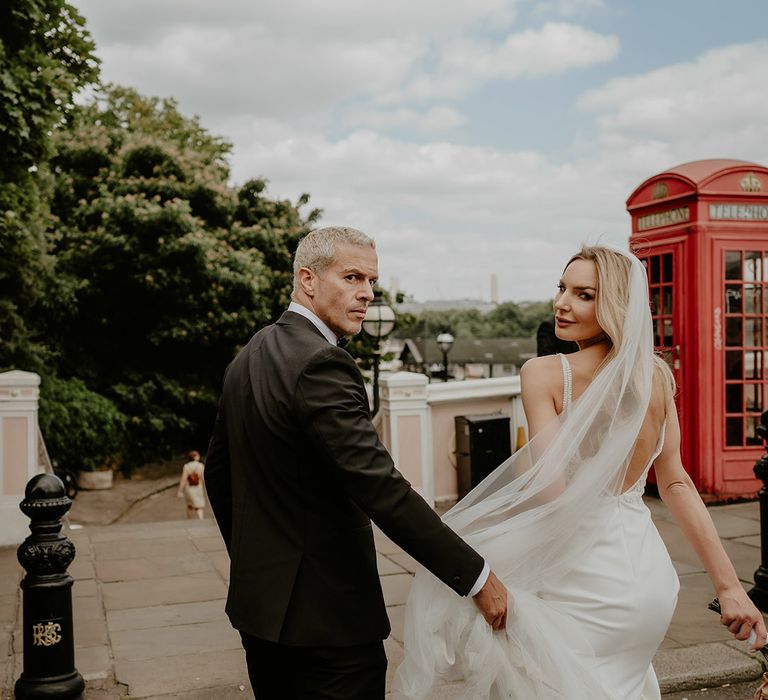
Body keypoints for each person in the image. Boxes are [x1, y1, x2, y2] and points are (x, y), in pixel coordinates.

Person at [393, 245, 767, 699]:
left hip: (587, 584)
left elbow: (553, 491)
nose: (562, 303)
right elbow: (676, 483)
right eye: (562, 287)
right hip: (647, 580)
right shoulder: (656, 377)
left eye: (584, 294)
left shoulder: (544, 373)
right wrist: (729, 587)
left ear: (614, 306)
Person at [204, 226, 507, 700]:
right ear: (308, 279)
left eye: (371, 281)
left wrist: (257, 564)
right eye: (352, 277)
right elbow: (381, 489)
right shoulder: (322, 363)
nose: (366, 293)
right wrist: (475, 576)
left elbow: (219, 477)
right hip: (328, 621)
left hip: (259, 611)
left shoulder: (249, 355)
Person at [177, 450, 205, 519]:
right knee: (199, 506)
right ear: (194, 457)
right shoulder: (201, 466)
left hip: (189, 488)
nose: (199, 456)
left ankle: (190, 521)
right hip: (198, 487)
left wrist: (180, 490)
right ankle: (201, 520)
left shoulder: (186, 466)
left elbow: (183, 479)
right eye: (197, 455)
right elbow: (203, 478)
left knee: (190, 505)